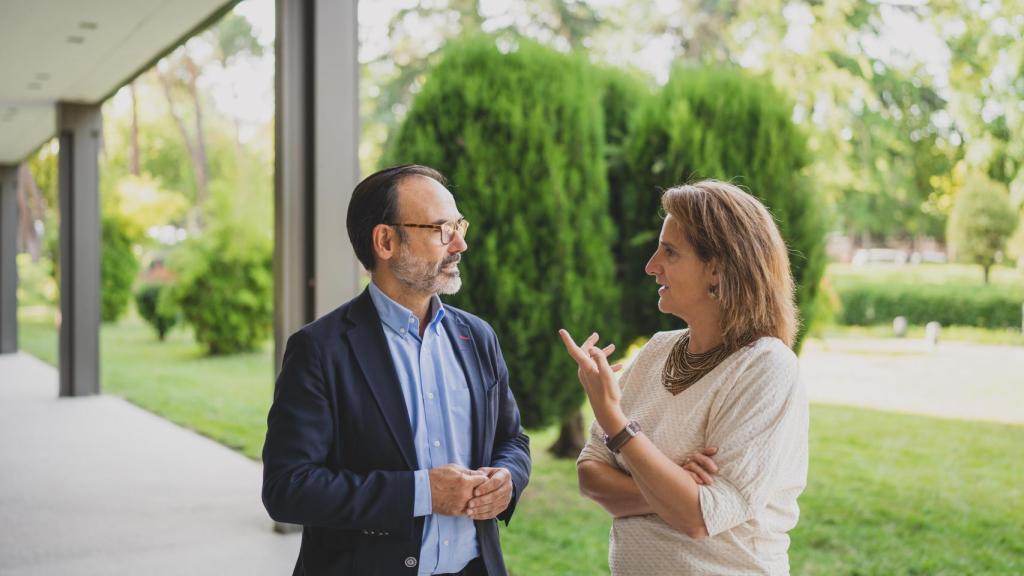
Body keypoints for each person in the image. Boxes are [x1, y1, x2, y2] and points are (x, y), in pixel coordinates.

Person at [263, 165, 531, 576]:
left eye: (459, 225)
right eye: (442, 229)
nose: (460, 243)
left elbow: (511, 439)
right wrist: (422, 493)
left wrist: (507, 479)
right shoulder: (319, 350)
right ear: (386, 241)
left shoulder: (478, 337)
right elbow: (289, 489)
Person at [561, 180, 808, 575]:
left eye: (670, 252)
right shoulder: (657, 350)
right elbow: (590, 475)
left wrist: (615, 422)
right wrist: (670, 486)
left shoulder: (765, 367)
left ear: (717, 269)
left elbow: (698, 517)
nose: (650, 265)